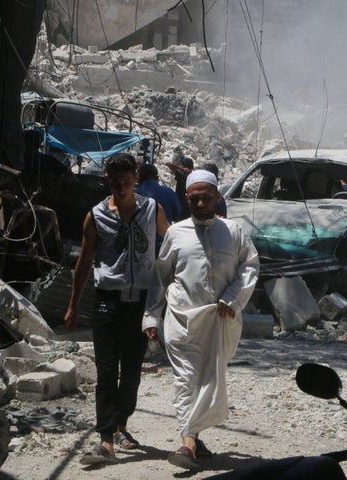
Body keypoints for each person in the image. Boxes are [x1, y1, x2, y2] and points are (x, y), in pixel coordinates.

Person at [143, 169, 259, 470]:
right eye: (194, 199)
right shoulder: (175, 233)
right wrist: (151, 317)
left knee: (209, 378)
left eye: (206, 198)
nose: (200, 204)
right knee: (185, 379)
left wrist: (233, 299)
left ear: (217, 197)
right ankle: (188, 442)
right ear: (186, 199)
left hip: (221, 321)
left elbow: (249, 267)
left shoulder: (234, 232)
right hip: (182, 319)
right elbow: (161, 276)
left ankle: (195, 436)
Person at [64, 153, 169, 466]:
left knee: (132, 372)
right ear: (107, 181)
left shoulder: (152, 209)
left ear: (136, 179)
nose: (122, 188)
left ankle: (122, 424)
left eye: (127, 182)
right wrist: (72, 306)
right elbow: (83, 263)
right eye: (116, 183)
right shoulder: (95, 216)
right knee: (107, 371)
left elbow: (174, 239)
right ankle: (106, 439)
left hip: (140, 303)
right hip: (107, 302)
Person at [136, 163, 182, 252]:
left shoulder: (133, 196)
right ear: (157, 177)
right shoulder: (169, 193)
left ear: (138, 178)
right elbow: (177, 215)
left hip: (139, 247)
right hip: (163, 246)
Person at [166, 151, 194, 220]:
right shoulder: (191, 176)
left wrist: (180, 168)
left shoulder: (182, 175)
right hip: (187, 203)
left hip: (182, 202)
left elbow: (170, 164)